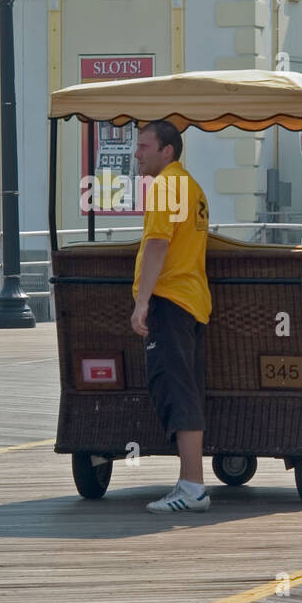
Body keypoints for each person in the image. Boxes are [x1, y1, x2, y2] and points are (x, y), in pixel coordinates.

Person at [130, 120, 212, 514]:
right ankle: (189, 481)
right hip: (192, 300)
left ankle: (193, 486)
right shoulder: (191, 187)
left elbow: (159, 244)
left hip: (170, 300)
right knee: (185, 387)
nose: (136, 153)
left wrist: (142, 302)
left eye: (144, 146)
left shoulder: (166, 186)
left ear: (168, 151)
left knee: (175, 388)